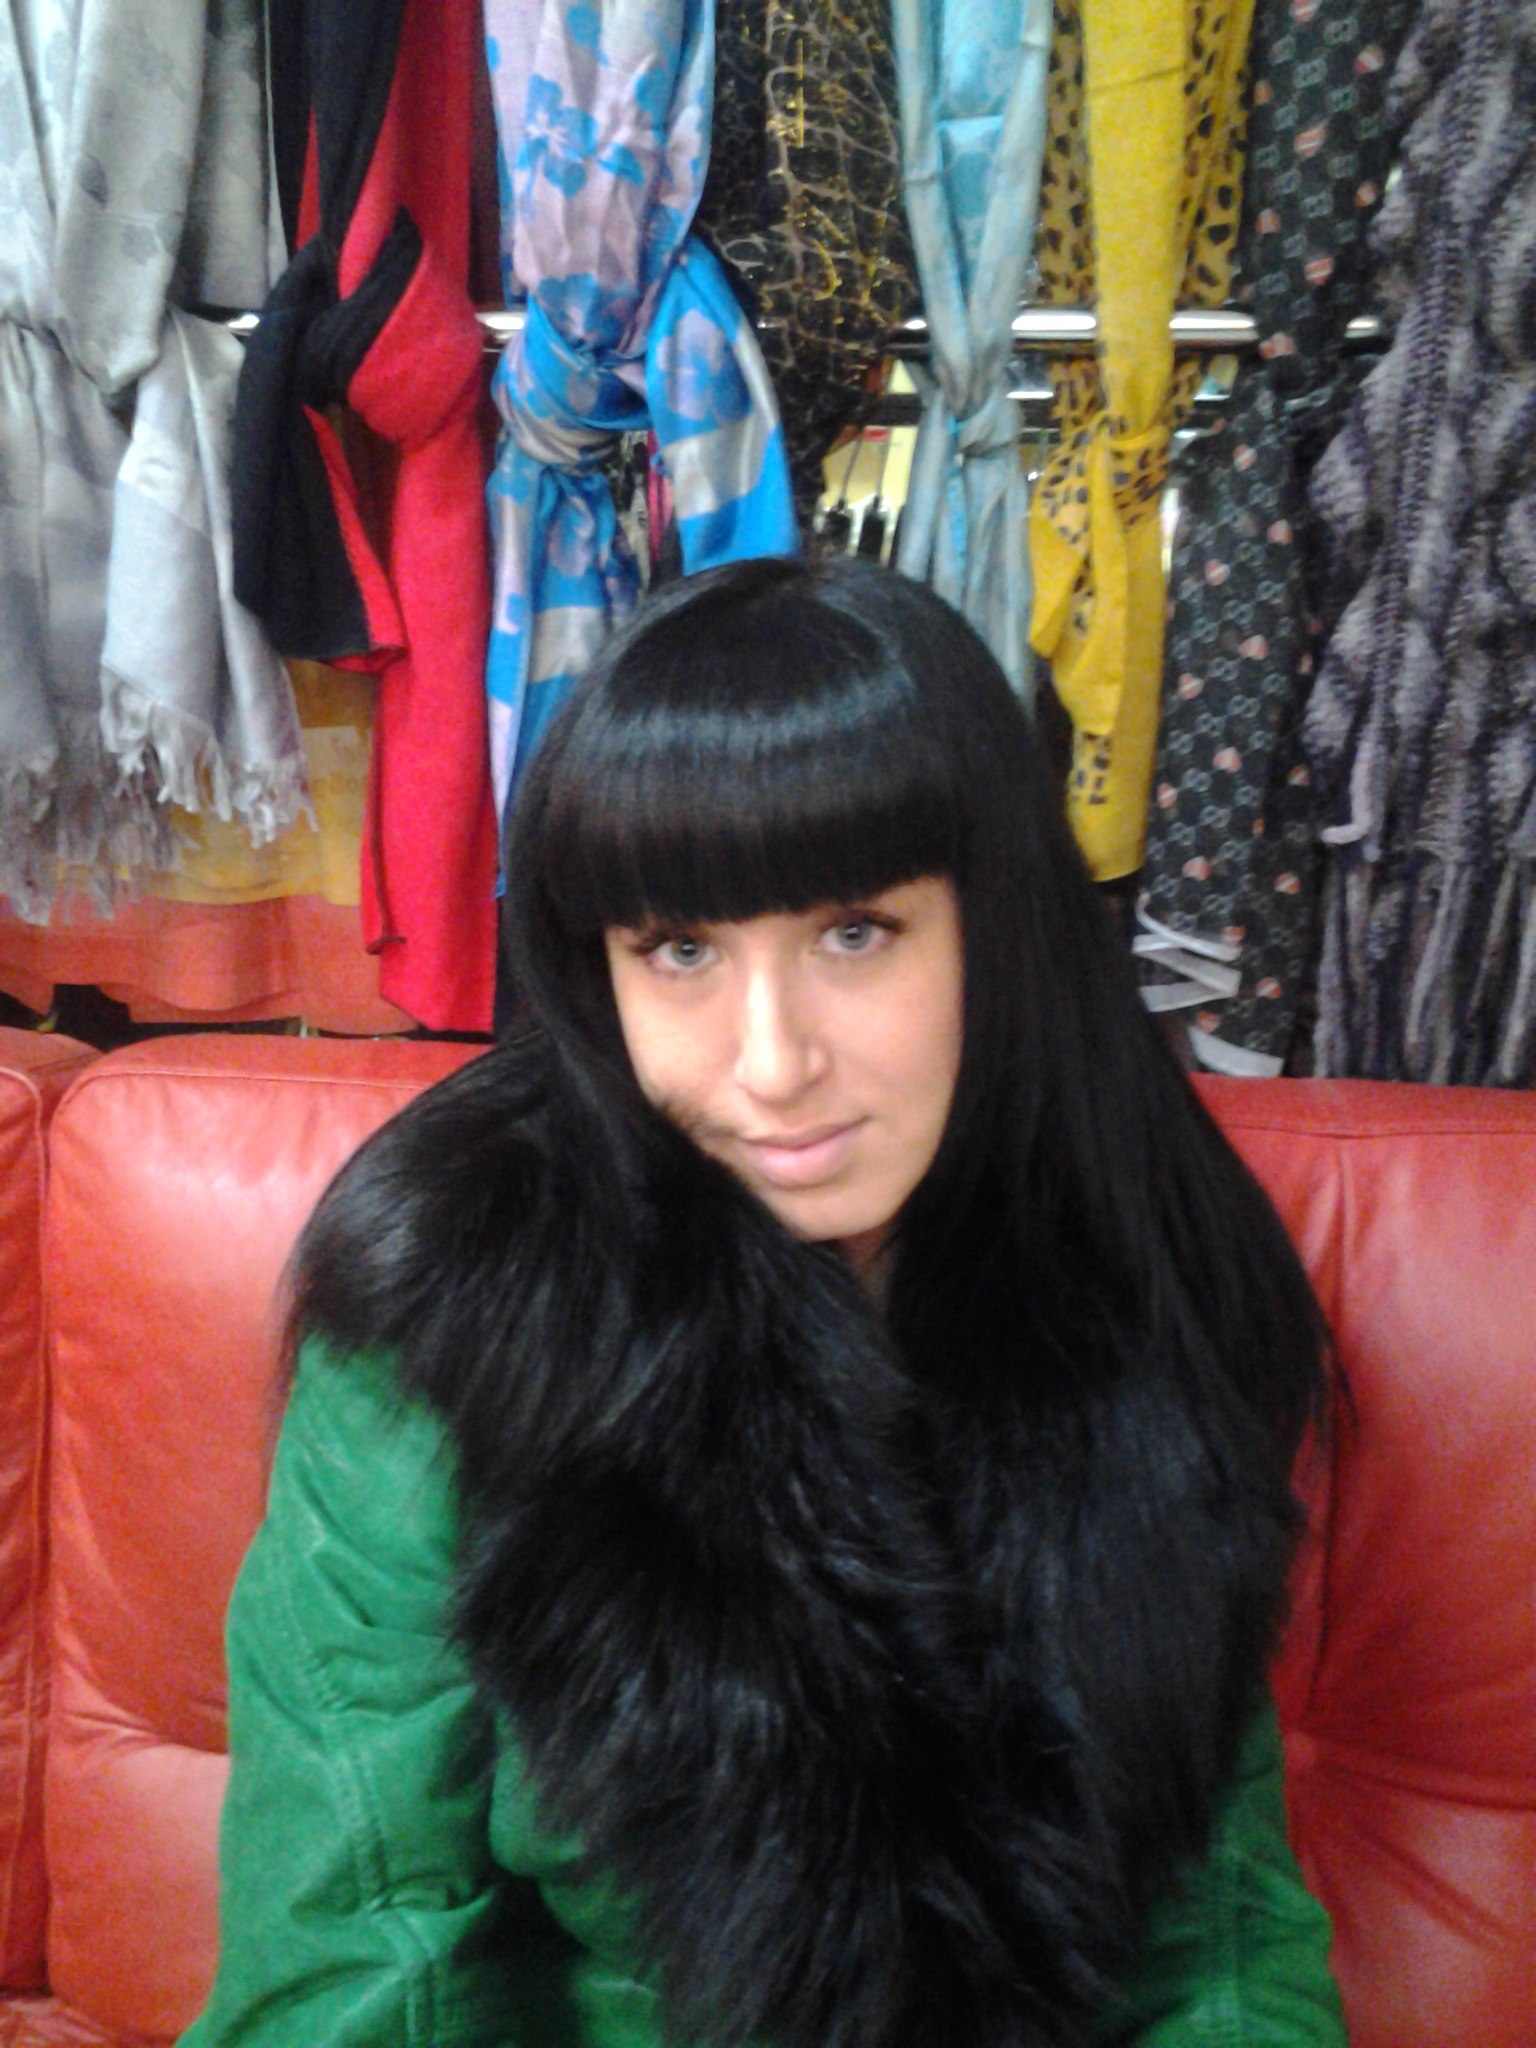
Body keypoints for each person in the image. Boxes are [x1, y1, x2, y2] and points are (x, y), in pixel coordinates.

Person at [182, 556, 1345, 2048]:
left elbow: (1218, 1948)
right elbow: (359, 1951)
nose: (773, 1061)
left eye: (855, 933)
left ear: (995, 928)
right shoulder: (458, 1321)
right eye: (680, 951)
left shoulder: (1151, 1277)